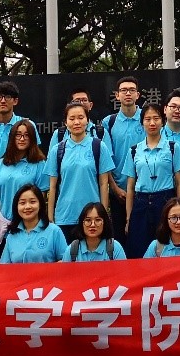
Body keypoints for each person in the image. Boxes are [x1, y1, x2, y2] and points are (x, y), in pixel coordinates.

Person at [124, 102, 180, 258]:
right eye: (147, 119)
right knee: (139, 250)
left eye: (156, 118)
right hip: (141, 203)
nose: (152, 123)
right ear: (142, 123)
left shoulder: (173, 148)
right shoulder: (134, 150)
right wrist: (128, 218)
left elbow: (179, 182)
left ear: (162, 121)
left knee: (166, 248)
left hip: (165, 201)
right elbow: (130, 187)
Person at [48, 101, 115, 244]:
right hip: (65, 216)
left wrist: (102, 215)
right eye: (71, 118)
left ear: (87, 120)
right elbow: (52, 187)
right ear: (66, 122)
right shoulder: (57, 150)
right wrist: (50, 218)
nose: (76, 122)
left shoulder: (98, 146)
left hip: (92, 218)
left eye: (81, 117)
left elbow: (104, 184)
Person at [0, 118, 48, 263]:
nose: (22, 139)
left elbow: (41, 196)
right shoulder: (0, 163)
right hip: (3, 222)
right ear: (12, 137)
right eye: (18, 135)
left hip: (27, 224)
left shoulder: (39, 163)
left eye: (26, 135)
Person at [103, 75, 145, 241]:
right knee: (120, 239)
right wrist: (115, 188)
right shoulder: (109, 123)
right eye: (124, 90)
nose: (128, 93)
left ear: (138, 95)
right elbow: (106, 162)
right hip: (119, 193)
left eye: (131, 90)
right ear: (117, 95)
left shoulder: (147, 119)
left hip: (144, 191)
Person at [0, 185, 68, 263]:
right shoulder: (12, 235)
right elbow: (4, 266)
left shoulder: (54, 231)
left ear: (40, 204)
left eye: (32, 202)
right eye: (22, 203)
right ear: (16, 207)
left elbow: (66, 261)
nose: (27, 207)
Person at [0, 80, 31, 162]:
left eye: (8, 97)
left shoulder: (28, 126)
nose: (3, 101)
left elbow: (34, 154)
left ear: (15, 101)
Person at [62, 201, 127, 262]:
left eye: (98, 220)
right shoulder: (72, 250)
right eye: (88, 220)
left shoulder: (115, 248)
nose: (92, 225)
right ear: (82, 223)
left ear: (105, 223)